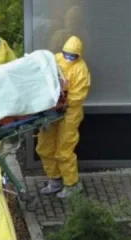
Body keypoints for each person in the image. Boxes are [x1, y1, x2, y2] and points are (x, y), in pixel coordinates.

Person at [36, 35, 91, 199]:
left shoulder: (80, 69)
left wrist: (63, 96)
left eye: (72, 56)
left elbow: (77, 96)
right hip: (52, 108)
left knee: (64, 150)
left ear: (78, 55)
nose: (68, 58)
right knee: (45, 147)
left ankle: (71, 184)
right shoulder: (55, 58)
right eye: (67, 54)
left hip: (69, 112)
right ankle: (55, 179)